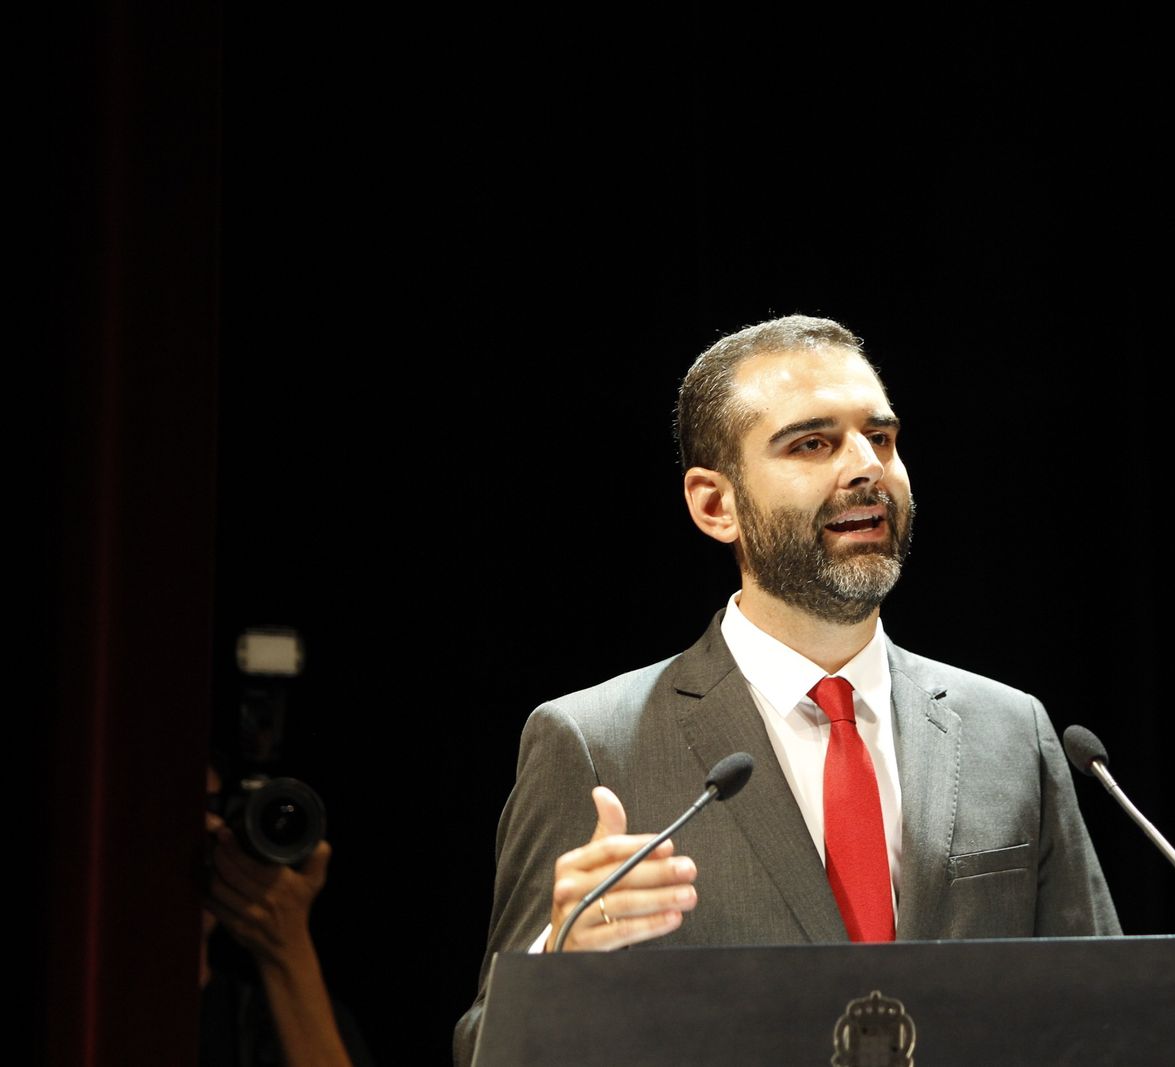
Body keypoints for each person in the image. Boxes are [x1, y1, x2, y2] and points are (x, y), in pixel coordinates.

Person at [454, 314, 1120, 1064]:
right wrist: (556, 963)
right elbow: (486, 1048)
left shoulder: (1011, 729)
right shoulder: (596, 743)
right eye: (813, 443)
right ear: (715, 505)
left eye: (882, 437)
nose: (866, 466)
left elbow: (1108, 1013)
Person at [202, 763, 374, 1067]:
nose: (214, 832)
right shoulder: (95, 1005)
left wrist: (286, 951)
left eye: (217, 809)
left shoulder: (265, 1021)